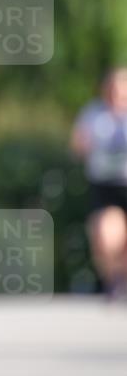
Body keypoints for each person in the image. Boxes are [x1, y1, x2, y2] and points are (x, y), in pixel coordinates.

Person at [71, 66, 127, 299]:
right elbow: (77, 147)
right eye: (112, 87)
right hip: (104, 184)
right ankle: (114, 280)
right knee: (105, 235)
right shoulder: (93, 114)